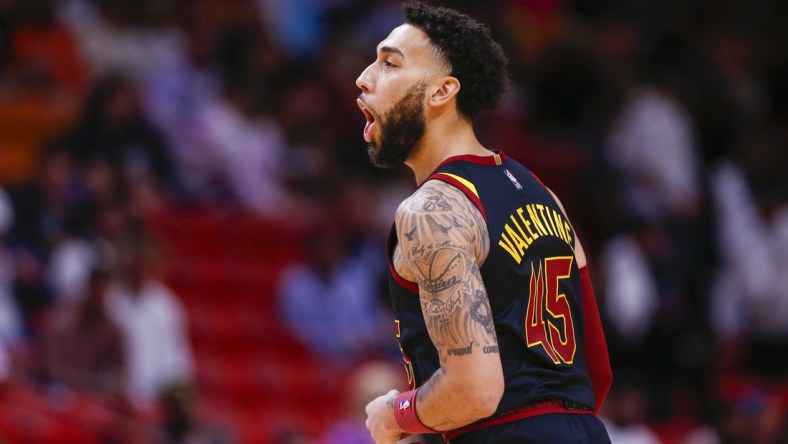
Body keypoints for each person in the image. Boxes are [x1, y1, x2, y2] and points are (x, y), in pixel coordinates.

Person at [355, 3, 612, 443]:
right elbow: (599, 372)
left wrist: (394, 414)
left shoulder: (432, 210)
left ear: (441, 92)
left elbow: (473, 390)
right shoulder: (544, 195)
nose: (364, 77)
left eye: (389, 63)